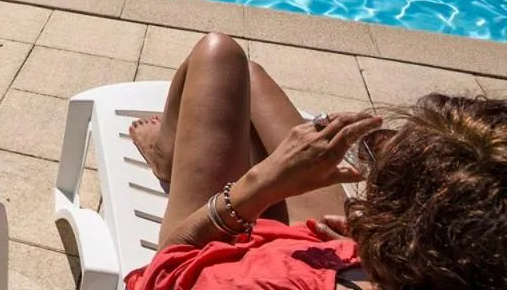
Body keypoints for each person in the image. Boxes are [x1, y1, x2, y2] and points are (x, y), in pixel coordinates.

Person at [125, 31, 507, 290]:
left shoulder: (259, 284)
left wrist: (260, 185)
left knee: (219, 53)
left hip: (236, 257)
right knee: (251, 79)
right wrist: (375, 253)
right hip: (354, 263)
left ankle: (166, 156)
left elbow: (165, 271)